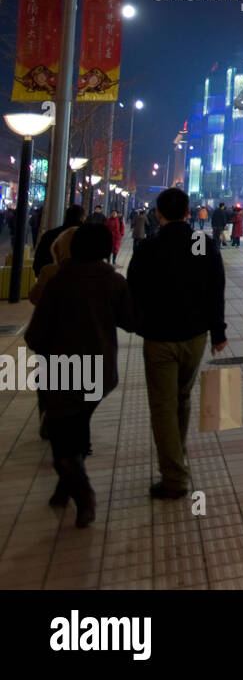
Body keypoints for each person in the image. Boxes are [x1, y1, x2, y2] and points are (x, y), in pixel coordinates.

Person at [25, 224, 134, 527]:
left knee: (61, 440)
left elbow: (36, 335)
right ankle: (65, 487)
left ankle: (83, 494)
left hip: (63, 374)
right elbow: (131, 320)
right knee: (77, 427)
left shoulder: (60, 282)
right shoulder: (114, 282)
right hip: (101, 374)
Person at [126, 188, 227, 500]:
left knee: (163, 406)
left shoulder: (150, 247)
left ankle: (174, 478)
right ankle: (176, 462)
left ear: (159, 214)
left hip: (159, 337)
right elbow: (215, 286)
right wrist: (218, 331)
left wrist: (139, 323)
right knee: (181, 398)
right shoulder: (200, 243)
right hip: (195, 336)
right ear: (188, 212)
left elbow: (134, 291)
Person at [34, 205, 84, 275]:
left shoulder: (49, 234)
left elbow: (38, 261)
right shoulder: (85, 238)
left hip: (50, 279)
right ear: (82, 218)